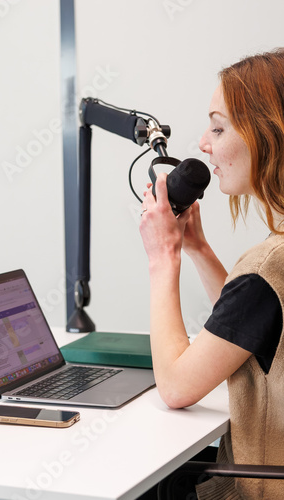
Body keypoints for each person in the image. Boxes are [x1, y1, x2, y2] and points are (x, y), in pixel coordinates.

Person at [139, 48, 284, 499]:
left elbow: (177, 386)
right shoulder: (270, 268)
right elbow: (253, 327)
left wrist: (164, 258)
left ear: (267, 136)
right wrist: (198, 248)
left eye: (218, 127)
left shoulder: (266, 266)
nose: (204, 143)